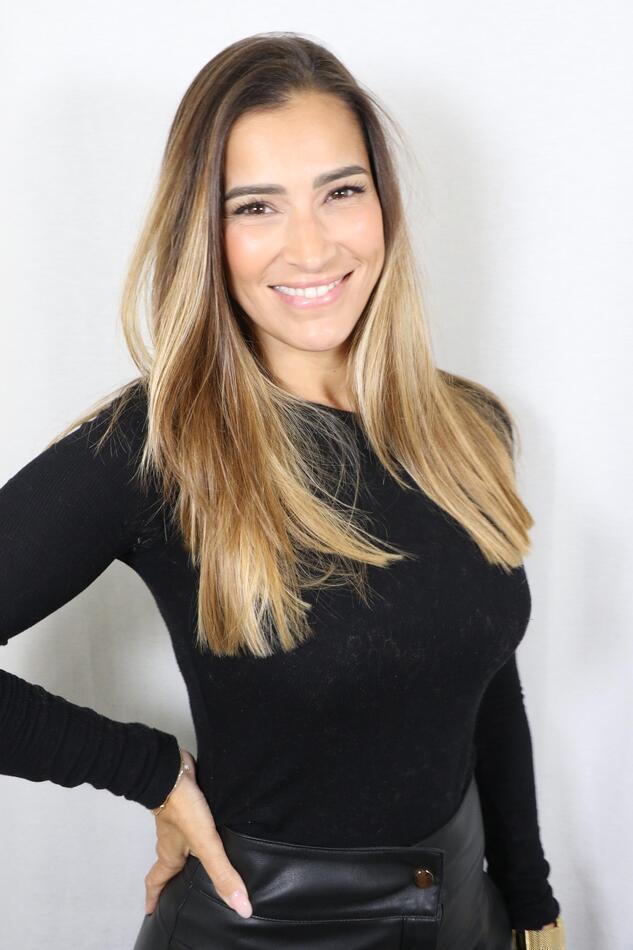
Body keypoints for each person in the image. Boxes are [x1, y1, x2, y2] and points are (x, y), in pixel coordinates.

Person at [0, 31, 566, 950]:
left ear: (382, 203)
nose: (311, 246)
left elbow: (483, 681)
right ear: (204, 233)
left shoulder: (465, 426)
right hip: (262, 927)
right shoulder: (157, 446)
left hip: (465, 914)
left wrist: (532, 907)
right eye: (256, 206)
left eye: (340, 191)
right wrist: (147, 771)